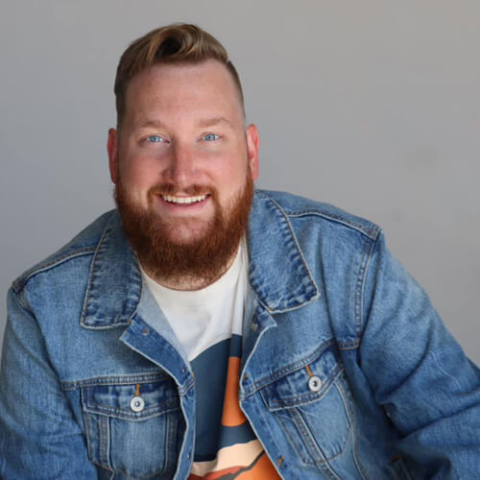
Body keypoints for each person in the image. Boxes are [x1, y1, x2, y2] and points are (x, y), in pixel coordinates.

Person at [0, 23, 479, 480]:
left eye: (210, 137)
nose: (182, 172)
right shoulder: (45, 313)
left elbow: (459, 428)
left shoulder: (346, 263)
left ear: (250, 152)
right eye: (154, 139)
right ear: (114, 156)